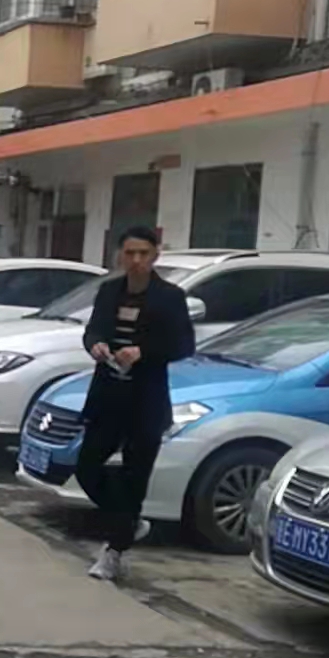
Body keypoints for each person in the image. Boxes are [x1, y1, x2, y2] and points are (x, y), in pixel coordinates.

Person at [76, 226, 195, 582]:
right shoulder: (109, 291)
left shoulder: (169, 296)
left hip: (146, 400)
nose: (137, 260)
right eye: (130, 253)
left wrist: (143, 352)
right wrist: (96, 345)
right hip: (107, 395)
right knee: (86, 468)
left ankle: (113, 552)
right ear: (120, 255)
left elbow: (184, 344)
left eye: (144, 253)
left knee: (135, 474)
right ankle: (127, 522)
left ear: (156, 254)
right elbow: (93, 330)